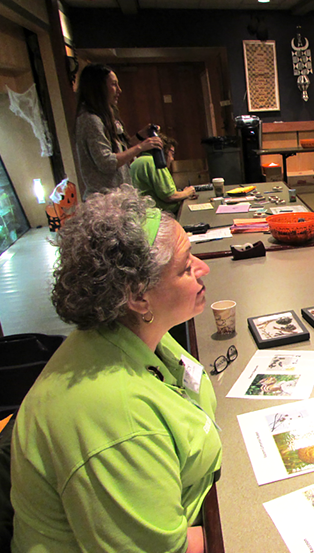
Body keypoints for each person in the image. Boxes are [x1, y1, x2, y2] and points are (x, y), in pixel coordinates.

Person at [10, 185, 221, 552]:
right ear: (139, 296)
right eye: (186, 267)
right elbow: (164, 549)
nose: (203, 268)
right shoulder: (116, 416)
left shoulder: (133, 331)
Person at [75, 64, 163, 198]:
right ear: (98, 88)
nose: (119, 90)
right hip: (105, 201)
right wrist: (141, 147)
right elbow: (107, 162)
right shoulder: (90, 120)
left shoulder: (104, 116)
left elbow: (121, 152)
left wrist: (140, 136)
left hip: (118, 196)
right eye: (114, 85)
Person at [131, 134, 196, 214]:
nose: (172, 159)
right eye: (172, 154)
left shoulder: (138, 161)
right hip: (161, 215)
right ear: (162, 151)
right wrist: (188, 192)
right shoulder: (154, 162)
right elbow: (169, 196)